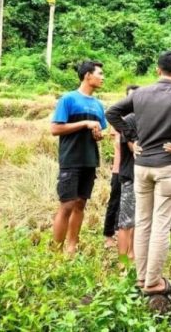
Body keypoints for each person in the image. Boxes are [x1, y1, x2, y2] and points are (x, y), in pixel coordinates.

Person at [106, 51, 171, 296]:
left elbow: (112, 112)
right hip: (168, 165)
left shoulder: (140, 93)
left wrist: (132, 138)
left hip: (142, 166)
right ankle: (154, 282)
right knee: (161, 225)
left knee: (143, 223)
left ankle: (142, 278)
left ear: (157, 70)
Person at [51, 60, 107, 255]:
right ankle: (56, 251)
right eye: (99, 73)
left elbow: (102, 132)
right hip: (71, 160)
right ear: (87, 76)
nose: (102, 77)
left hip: (89, 160)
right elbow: (55, 128)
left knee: (81, 204)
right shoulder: (68, 99)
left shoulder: (99, 105)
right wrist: (84, 123)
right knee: (66, 204)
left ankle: (72, 247)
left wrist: (98, 134)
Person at [103, 84, 139, 248]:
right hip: (120, 167)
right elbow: (118, 142)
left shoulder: (137, 120)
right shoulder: (121, 120)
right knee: (115, 201)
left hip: (130, 168)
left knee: (128, 207)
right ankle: (109, 235)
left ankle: (124, 237)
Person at [114, 88, 139, 268]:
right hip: (131, 175)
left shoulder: (147, 119)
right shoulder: (129, 121)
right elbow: (134, 149)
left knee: (139, 221)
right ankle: (123, 262)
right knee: (126, 222)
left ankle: (134, 257)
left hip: (142, 176)